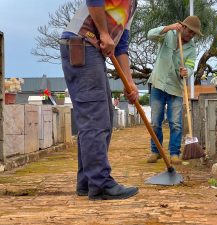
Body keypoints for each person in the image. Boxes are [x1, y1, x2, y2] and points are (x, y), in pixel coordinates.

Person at [59, 0, 139, 200]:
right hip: (82, 43)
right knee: (95, 117)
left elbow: (121, 44)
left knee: (103, 118)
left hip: (93, 51)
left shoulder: (132, 5)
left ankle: (88, 181)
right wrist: (103, 32)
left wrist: (129, 82)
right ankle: (100, 184)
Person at [146, 16, 203, 165]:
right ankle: (155, 151)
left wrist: (187, 72)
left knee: (176, 124)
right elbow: (150, 34)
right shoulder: (169, 35)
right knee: (155, 122)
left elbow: (191, 67)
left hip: (176, 88)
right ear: (182, 27)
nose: (190, 35)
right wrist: (168, 27)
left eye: (193, 34)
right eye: (189, 31)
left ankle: (174, 153)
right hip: (158, 83)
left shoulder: (192, 49)